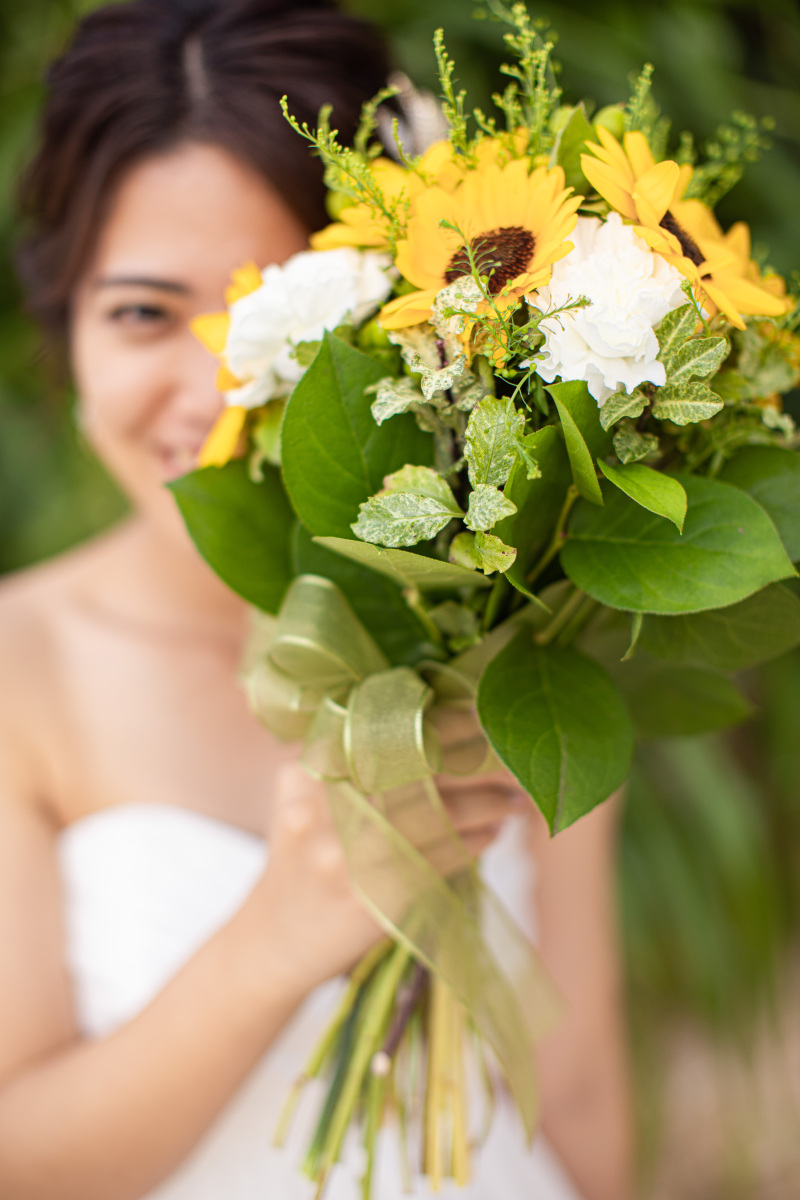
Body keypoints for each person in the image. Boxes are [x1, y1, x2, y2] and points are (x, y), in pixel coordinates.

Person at [0, 1, 633, 1197]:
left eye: (280, 310)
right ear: (65, 327)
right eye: (143, 312)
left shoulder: (521, 627)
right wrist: (280, 935)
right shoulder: (19, 671)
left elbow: (581, 1101)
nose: (218, 385)